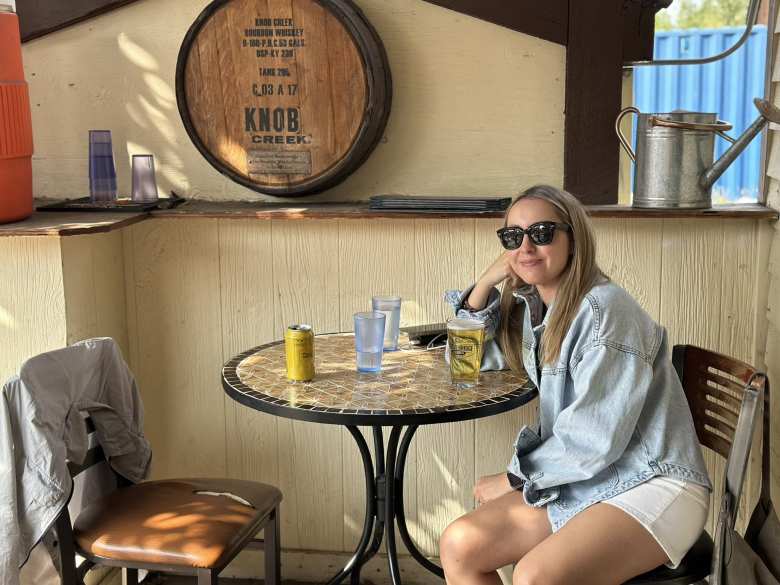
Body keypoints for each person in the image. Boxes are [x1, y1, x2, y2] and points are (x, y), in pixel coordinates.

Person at [439, 185, 711, 585]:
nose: (526, 246)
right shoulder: (536, 309)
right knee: (460, 544)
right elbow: (465, 361)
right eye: (513, 237)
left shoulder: (605, 312)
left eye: (542, 233)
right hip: (589, 475)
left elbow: (593, 437)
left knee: (534, 576)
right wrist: (485, 282)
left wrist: (514, 478)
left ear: (573, 239)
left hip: (652, 481)